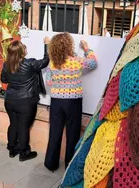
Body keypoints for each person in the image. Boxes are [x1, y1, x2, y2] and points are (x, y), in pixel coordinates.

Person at [44, 32, 98, 171]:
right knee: (73, 133)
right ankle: (69, 165)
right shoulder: (76, 61)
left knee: (55, 132)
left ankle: (51, 163)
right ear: (69, 45)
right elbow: (93, 63)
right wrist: (87, 49)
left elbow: (48, 82)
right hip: (73, 101)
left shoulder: (52, 63)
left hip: (56, 101)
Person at [1, 38, 50, 162]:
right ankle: (24, 152)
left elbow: (4, 80)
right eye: (24, 47)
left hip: (10, 100)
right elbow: (45, 61)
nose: (26, 49)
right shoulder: (30, 63)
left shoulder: (7, 64)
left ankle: (12, 149)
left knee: (13, 124)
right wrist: (46, 45)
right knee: (23, 126)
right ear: (22, 52)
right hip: (26, 101)